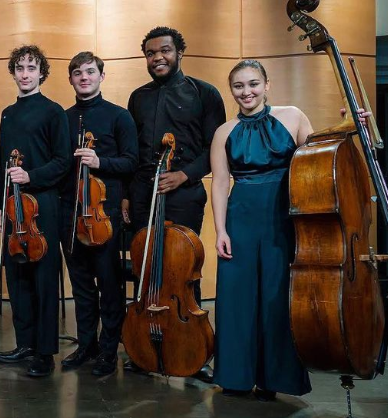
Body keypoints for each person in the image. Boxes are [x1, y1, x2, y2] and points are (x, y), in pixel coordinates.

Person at [121, 26, 226, 382]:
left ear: (179, 51)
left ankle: (192, 351)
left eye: (164, 50)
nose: (157, 58)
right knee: (146, 268)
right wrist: (125, 193)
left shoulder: (205, 93)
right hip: (142, 192)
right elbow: (132, 151)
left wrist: (184, 176)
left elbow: (217, 148)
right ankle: (143, 347)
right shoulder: (138, 97)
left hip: (183, 192)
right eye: (151, 53)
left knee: (184, 270)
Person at [210, 60, 313, 400]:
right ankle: (236, 377)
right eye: (239, 86)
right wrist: (220, 231)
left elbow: (318, 158)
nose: (246, 92)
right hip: (240, 219)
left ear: (267, 84)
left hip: (283, 218)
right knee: (236, 299)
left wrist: (352, 125)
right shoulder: (224, 131)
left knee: (276, 298)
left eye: (253, 84)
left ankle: (275, 378)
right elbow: (221, 182)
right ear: (232, 90)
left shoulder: (293, 116)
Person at [0, 45, 71, 378]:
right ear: (13, 72)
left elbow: (63, 162)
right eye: (19, 68)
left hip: (44, 206)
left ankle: (45, 352)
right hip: (13, 205)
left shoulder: (54, 112)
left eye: (31, 68)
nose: (25, 73)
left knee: (42, 278)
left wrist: (32, 176)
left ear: (42, 73)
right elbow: (3, 164)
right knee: (17, 276)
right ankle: (24, 342)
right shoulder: (8, 113)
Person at [58, 52, 138, 376]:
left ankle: (108, 350)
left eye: (90, 72)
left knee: (108, 283)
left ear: (102, 77)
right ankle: (86, 345)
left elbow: (131, 162)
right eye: (78, 73)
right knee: (80, 286)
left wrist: (100, 162)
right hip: (70, 212)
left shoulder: (119, 117)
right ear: (71, 79)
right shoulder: (62, 118)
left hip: (104, 215)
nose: (84, 77)